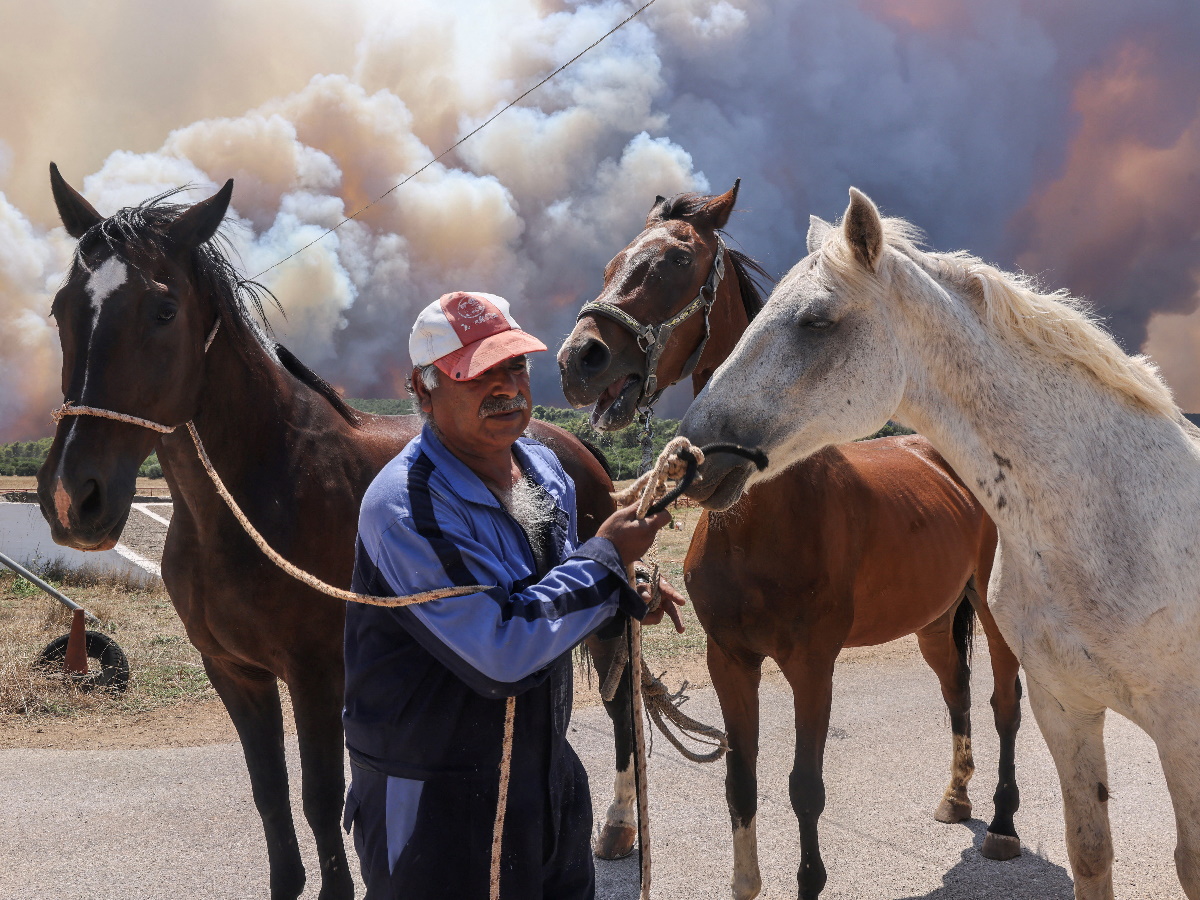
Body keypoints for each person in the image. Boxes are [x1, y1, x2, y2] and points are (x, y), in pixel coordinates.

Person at [342, 290, 683, 899]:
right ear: (423, 389)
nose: (507, 388)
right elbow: (499, 650)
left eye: (516, 366)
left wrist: (623, 591)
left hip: (543, 776)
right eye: (478, 374)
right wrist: (606, 563)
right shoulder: (409, 508)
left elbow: (548, 583)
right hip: (436, 799)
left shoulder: (538, 469)